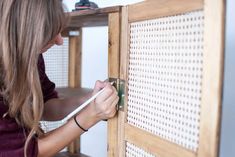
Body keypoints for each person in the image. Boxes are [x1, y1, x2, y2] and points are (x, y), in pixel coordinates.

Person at [0, 0, 119, 157]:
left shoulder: (31, 56)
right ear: (25, 33)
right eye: (50, 32)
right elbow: (25, 152)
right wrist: (91, 116)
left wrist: (89, 100)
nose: (60, 41)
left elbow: (46, 104)